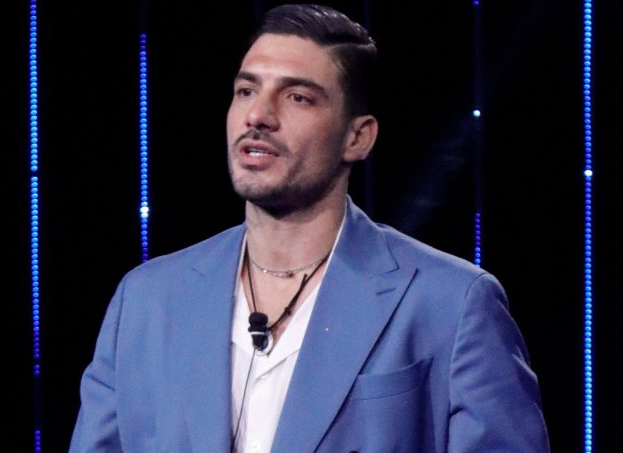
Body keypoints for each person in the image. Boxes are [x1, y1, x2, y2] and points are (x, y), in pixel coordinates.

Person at [69, 4, 550, 452]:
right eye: (246, 91)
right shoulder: (146, 301)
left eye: (297, 97)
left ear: (357, 137)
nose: (258, 116)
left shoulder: (452, 303)